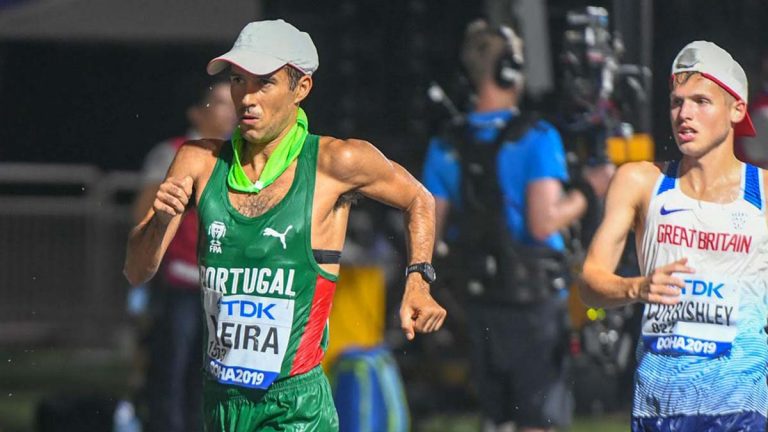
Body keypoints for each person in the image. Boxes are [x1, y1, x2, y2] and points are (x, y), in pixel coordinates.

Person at [123, 19, 446, 431]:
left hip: (294, 408)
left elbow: (419, 198)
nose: (247, 98)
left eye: (265, 83)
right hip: (221, 402)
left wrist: (418, 278)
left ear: (301, 88)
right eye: (239, 80)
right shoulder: (198, 162)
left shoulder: (336, 163)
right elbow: (137, 271)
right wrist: (161, 220)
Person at [421, 20, 606, 432]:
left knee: (497, 417)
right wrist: (589, 191)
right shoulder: (537, 137)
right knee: (539, 419)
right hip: (535, 303)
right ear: (509, 69)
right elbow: (543, 222)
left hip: (480, 300)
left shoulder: (445, 143)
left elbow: (428, 227)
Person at [581, 40, 767, 431]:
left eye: (701, 101)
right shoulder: (640, 181)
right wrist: (639, 288)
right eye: (676, 101)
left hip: (742, 410)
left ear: (737, 109)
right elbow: (590, 284)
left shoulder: (764, 192)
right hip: (660, 411)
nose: (684, 114)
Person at [131, 79, 236, 432]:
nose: (231, 111)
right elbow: (144, 216)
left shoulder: (239, 156)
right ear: (196, 112)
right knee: (171, 372)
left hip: (224, 290)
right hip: (180, 284)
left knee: (210, 377)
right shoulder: (172, 152)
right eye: (220, 102)